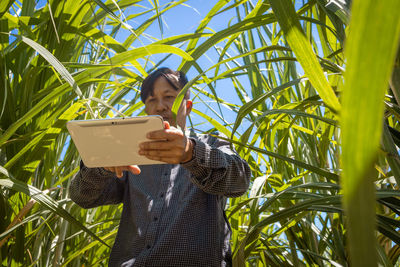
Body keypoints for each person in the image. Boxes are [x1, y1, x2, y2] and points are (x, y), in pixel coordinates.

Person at [69, 67, 251, 266]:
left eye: (169, 96)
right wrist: (102, 165)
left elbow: (239, 182)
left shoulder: (213, 144)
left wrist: (191, 153)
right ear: (147, 109)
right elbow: (82, 196)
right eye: (151, 100)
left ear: (187, 106)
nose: (160, 106)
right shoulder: (130, 154)